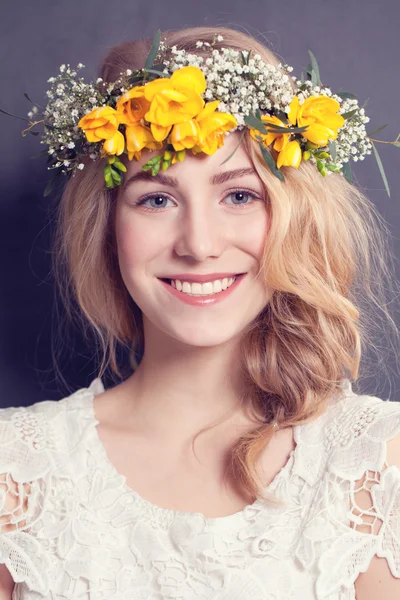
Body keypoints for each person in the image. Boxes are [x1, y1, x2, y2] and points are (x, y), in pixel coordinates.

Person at [0, 25, 399, 600]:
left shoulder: (379, 466)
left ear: (294, 217)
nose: (199, 244)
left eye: (239, 195)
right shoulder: (16, 473)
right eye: (157, 199)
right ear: (109, 228)